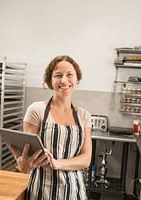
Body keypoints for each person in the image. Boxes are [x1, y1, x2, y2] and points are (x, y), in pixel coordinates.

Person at [9, 55, 92, 200]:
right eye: (58, 75)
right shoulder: (37, 110)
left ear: (77, 79)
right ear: (50, 81)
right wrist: (24, 164)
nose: (64, 80)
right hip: (40, 190)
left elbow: (86, 159)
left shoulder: (83, 116)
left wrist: (57, 163)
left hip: (74, 191)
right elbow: (27, 156)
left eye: (69, 75)